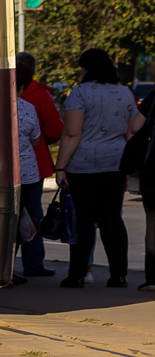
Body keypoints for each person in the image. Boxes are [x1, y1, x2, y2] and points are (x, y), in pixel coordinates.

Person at [55, 47, 139, 288]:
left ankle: (78, 274)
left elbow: (72, 132)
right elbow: (130, 130)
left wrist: (61, 167)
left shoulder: (79, 93)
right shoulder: (125, 94)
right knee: (112, 219)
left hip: (84, 165)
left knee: (83, 220)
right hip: (115, 163)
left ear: (87, 68)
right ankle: (119, 275)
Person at [18, 52, 63, 276]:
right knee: (33, 212)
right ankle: (33, 263)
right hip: (33, 163)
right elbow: (55, 129)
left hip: (0, 165)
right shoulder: (39, 96)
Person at [13, 67, 42, 285]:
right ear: (21, 88)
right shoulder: (27, 108)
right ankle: (9, 268)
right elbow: (36, 139)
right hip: (25, 173)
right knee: (19, 220)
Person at [126, 87, 155, 291]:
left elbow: (136, 126)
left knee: (153, 224)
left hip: (153, 169)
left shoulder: (154, 96)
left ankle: (153, 278)